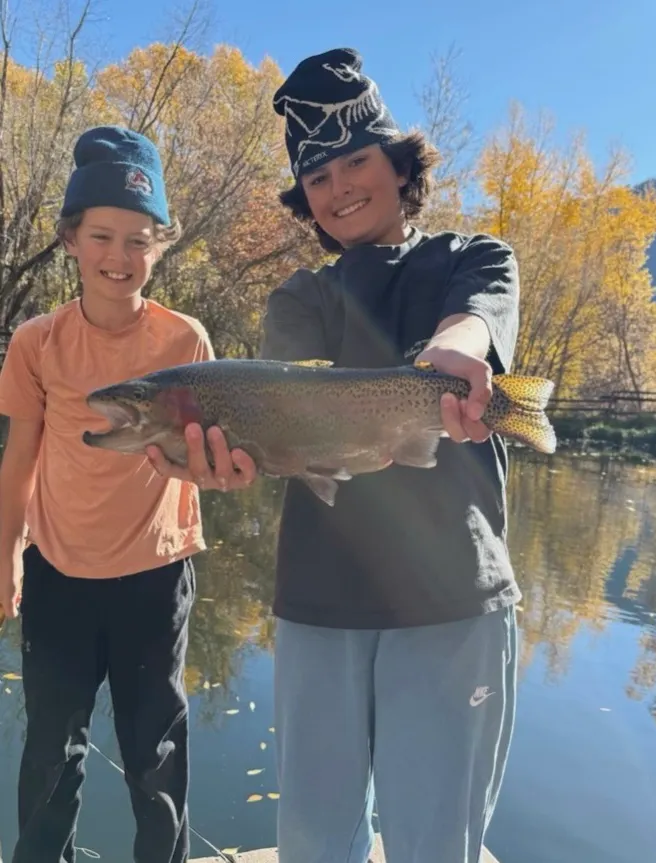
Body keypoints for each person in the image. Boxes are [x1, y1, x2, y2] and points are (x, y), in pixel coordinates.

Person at [147, 47, 522, 863]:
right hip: (318, 598)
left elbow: (476, 322)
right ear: (304, 200)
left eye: (357, 161)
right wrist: (217, 460)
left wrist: (455, 355)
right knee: (314, 842)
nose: (340, 187)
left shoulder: (473, 258)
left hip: (452, 590)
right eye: (317, 179)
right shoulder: (300, 297)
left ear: (398, 165)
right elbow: (275, 417)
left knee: (436, 843)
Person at [0, 125, 215, 863]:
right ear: (69, 239)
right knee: (51, 754)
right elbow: (20, 453)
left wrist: (197, 468)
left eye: (138, 239)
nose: (119, 258)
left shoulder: (187, 341)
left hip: (156, 577)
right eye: (101, 236)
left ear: (159, 245)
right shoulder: (37, 342)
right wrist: (8, 554)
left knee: (155, 752)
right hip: (59, 573)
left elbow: (203, 461)